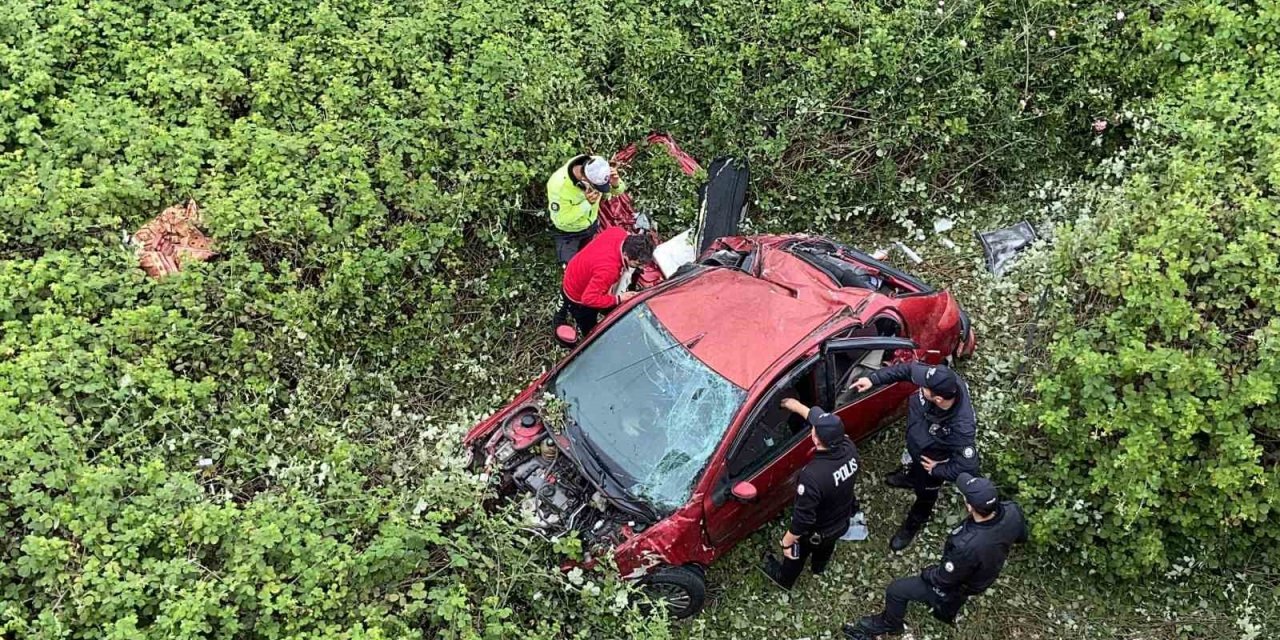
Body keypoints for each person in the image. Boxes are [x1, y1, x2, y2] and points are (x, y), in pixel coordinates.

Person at [842, 474, 1028, 639]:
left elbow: (944, 579)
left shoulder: (966, 544)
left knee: (896, 590)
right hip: (985, 574)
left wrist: (928, 573)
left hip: (962, 581)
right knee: (957, 594)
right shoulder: (1012, 511)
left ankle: (891, 624)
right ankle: (946, 609)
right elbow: (1021, 537)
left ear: (970, 506)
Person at [848, 363, 978, 551]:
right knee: (911, 467)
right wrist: (873, 379)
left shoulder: (961, 427)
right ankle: (908, 477)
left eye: (924, 388)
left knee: (925, 497)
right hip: (915, 445)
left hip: (930, 463)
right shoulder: (942, 378)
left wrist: (938, 469)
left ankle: (912, 525)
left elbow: (968, 464)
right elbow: (908, 370)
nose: (920, 387)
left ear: (939, 399)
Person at [760, 399, 860, 590]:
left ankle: (784, 580)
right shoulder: (849, 448)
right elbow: (817, 419)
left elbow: (803, 519)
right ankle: (818, 567)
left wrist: (787, 541)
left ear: (815, 439)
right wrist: (793, 404)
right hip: (840, 521)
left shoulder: (812, 476)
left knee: (795, 556)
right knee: (826, 548)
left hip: (815, 532)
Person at [556, 227, 653, 336]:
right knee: (589, 325)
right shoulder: (608, 271)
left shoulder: (618, 232)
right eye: (637, 264)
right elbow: (588, 299)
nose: (640, 267)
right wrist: (618, 299)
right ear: (626, 254)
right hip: (577, 293)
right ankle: (589, 338)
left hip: (575, 269)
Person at [546, 154, 624, 264]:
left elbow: (616, 192)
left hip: (591, 225)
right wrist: (587, 204)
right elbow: (561, 220)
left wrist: (616, 185)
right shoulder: (558, 187)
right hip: (569, 232)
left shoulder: (595, 165)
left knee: (590, 260)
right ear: (585, 179)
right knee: (572, 267)